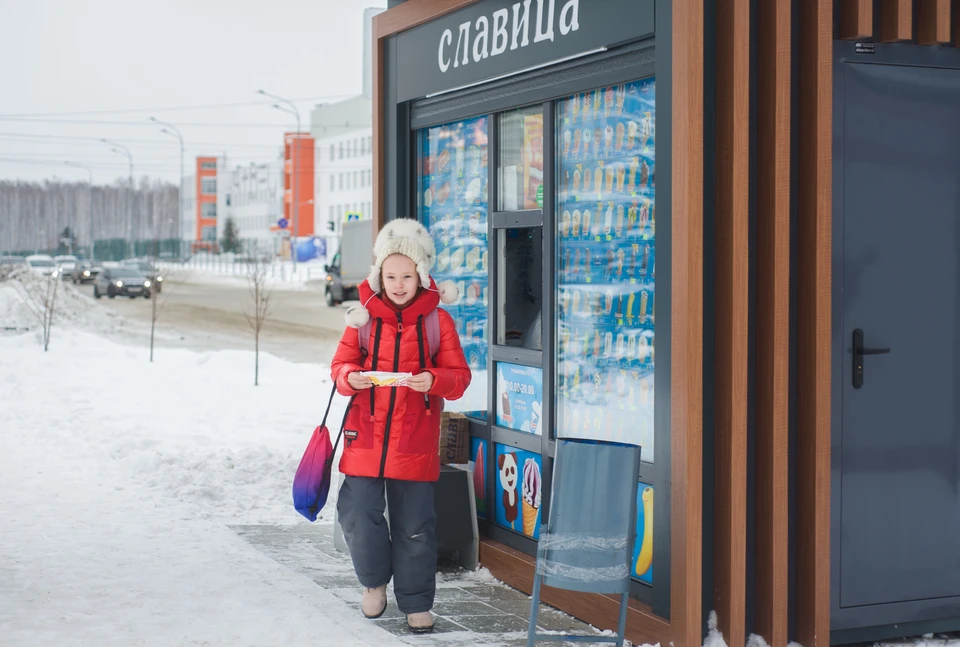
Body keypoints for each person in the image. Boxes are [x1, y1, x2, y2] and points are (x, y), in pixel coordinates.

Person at [330, 218, 471, 634]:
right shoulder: (361, 319)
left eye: (406, 276)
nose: (397, 284)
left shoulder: (437, 323)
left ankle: (415, 602)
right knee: (356, 513)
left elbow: (459, 377)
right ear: (378, 275)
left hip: (415, 438)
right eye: (389, 276)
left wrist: (435, 380)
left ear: (421, 275)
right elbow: (340, 366)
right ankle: (374, 584)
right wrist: (348, 377)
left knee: (415, 526)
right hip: (366, 435)